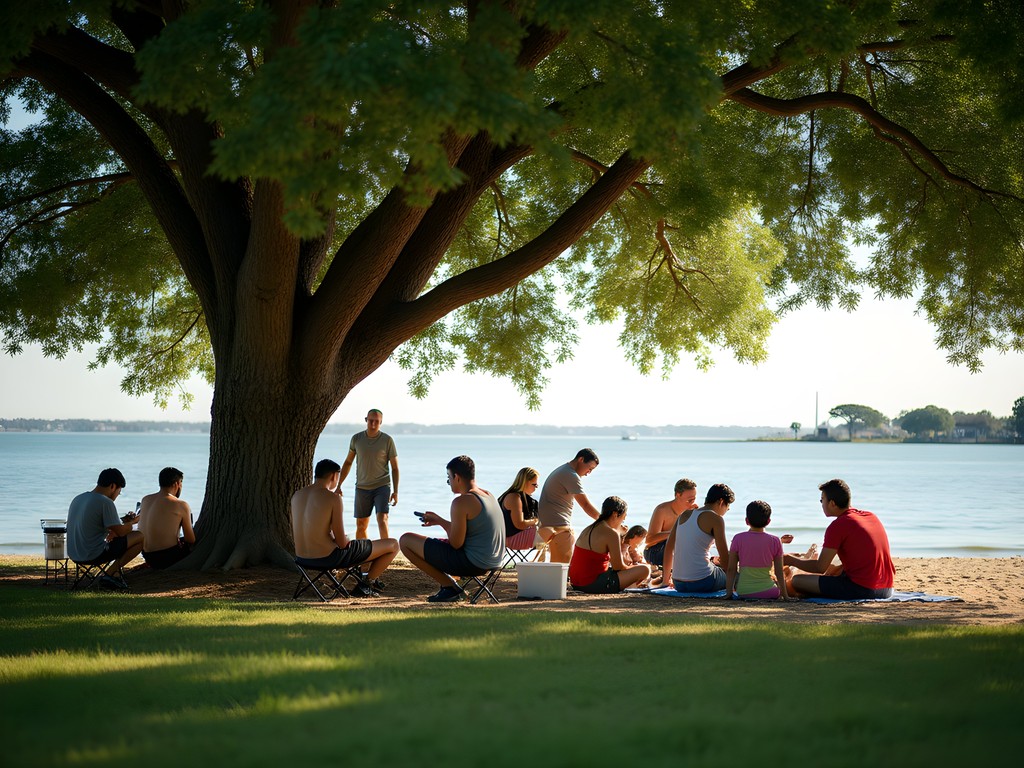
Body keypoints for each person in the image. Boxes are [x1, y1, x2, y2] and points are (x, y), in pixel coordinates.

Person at [399, 455, 504, 603]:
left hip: (473, 563)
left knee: (405, 541)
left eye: (449, 478)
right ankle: (450, 588)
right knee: (430, 543)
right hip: (494, 561)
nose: (449, 483)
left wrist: (442, 524)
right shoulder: (488, 495)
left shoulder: (461, 502)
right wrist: (440, 520)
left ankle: (450, 587)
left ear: (457, 477)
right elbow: (470, 532)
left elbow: (456, 544)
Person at [291, 458, 398, 598]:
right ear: (334, 476)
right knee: (393, 544)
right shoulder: (333, 498)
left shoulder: (297, 495)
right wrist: (348, 539)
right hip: (329, 558)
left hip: (302, 558)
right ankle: (366, 585)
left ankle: (366, 582)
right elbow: (342, 543)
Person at [784, 478, 895, 599]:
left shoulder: (838, 525)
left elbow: (820, 568)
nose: (821, 504)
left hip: (864, 590)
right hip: (887, 588)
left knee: (797, 581)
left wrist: (790, 560)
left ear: (832, 503)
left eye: (822, 500)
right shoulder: (870, 516)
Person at [66, 468, 144, 590]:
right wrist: (133, 522)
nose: (117, 495)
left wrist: (125, 522)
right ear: (113, 486)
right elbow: (121, 532)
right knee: (139, 537)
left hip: (74, 553)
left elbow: (99, 525)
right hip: (93, 554)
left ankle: (115, 573)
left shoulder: (79, 498)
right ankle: (108, 574)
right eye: (119, 492)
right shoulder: (105, 502)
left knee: (122, 538)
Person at [661, 482, 735, 593]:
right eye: (727, 508)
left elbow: (668, 548)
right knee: (728, 572)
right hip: (703, 581)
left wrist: (665, 581)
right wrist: (734, 580)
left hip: (679, 583)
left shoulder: (684, 515)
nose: (726, 511)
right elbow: (725, 560)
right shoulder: (716, 519)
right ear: (721, 502)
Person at [339, 408, 399, 540]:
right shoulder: (356, 439)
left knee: (382, 519)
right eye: (371, 420)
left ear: (381, 422)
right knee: (361, 525)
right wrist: (339, 485)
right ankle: (364, 557)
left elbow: (395, 468)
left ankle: (385, 553)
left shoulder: (387, 440)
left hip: (382, 485)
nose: (373, 424)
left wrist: (395, 491)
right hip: (362, 487)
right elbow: (348, 462)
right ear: (366, 420)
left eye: (376, 422)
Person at [568, 496, 651, 593]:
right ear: (615, 515)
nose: (621, 523)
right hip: (591, 584)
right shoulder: (611, 533)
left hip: (576, 582)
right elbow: (618, 566)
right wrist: (636, 568)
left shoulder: (589, 528)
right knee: (645, 570)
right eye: (622, 519)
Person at [537, 448, 601, 563]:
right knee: (561, 569)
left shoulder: (563, 470)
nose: (589, 473)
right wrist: (604, 521)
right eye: (589, 468)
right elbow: (585, 505)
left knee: (559, 568)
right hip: (558, 526)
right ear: (581, 459)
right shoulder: (570, 475)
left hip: (551, 524)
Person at [726, 500, 794, 600]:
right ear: (768, 521)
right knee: (778, 580)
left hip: (744, 592)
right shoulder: (775, 541)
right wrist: (785, 596)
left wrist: (729, 593)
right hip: (769, 592)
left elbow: (731, 569)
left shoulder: (738, 538)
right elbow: (779, 572)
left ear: (746, 521)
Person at [138, 467, 196, 570]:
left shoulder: (145, 499)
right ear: (177, 484)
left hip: (148, 556)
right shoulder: (181, 504)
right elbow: (190, 539)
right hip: (167, 557)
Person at [644, 478, 698, 569]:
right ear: (678, 495)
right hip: (655, 551)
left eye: (694, 499)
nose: (693, 502)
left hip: (677, 551)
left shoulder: (692, 511)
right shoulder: (662, 510)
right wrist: (675, 532)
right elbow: (649, 540)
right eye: (689, 500)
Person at [498, 467, 540, 538]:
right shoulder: (514, 497)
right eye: (534, 484)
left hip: (509, 536)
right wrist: (536, 520)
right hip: (511, 538)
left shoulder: (514, 496)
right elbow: (520, 524)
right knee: (554, 533)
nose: (536, 487)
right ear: (525, 482)